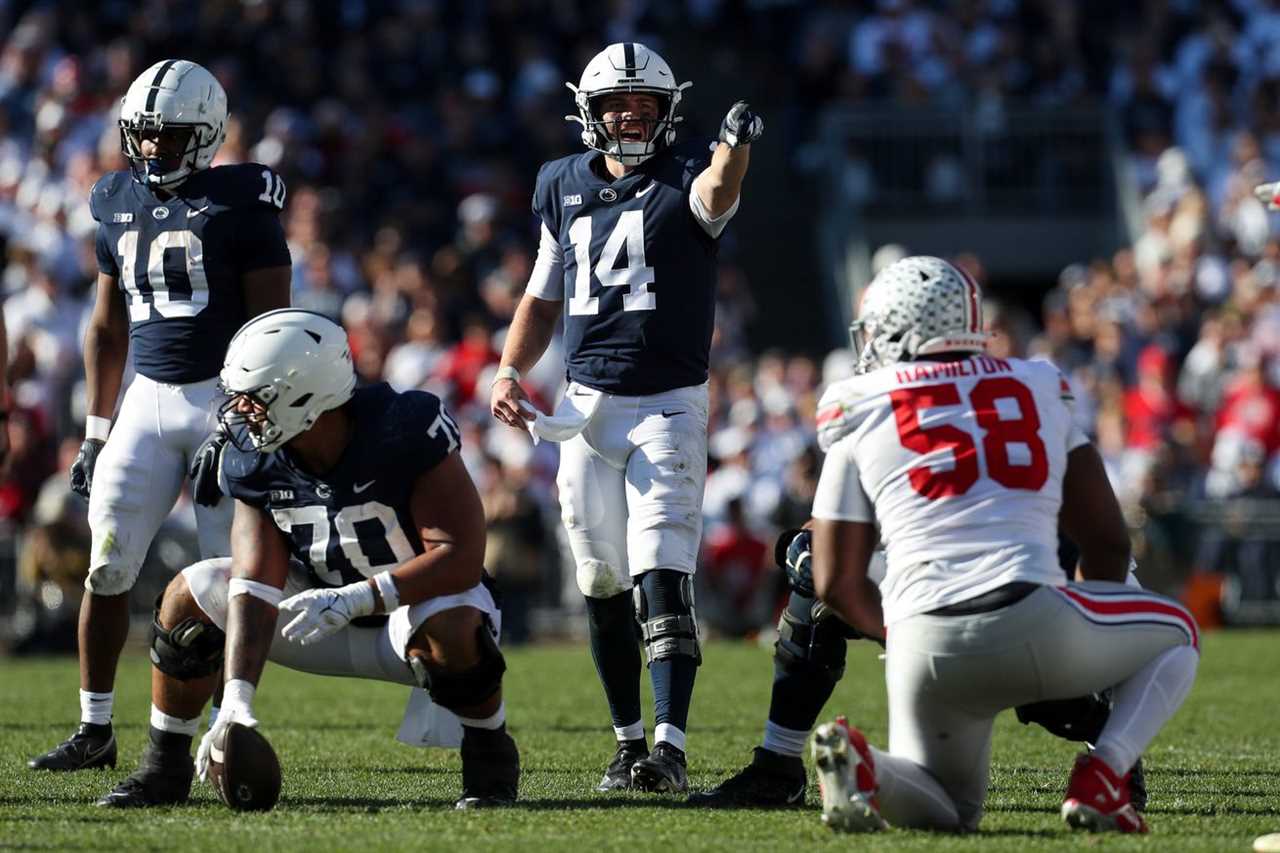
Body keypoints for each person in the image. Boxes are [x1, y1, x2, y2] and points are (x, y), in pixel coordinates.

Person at [805, 256, 1199, 834]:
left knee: (950, 810)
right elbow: (1107, 539)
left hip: (923, 641)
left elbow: (833, 582)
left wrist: (904, 633)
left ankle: (868, 771)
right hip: (1035, 619)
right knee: (1179, 631)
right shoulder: (1039, 384)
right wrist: (1084, 646)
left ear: (899, 331)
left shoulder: (855, 404)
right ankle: (1105, 772)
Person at [98, 309, 519, 809]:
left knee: (453, 624)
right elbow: (253, 583)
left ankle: (490, 759)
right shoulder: (254, 455)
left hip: (410, 615)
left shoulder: (403, 426)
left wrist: (358, 598)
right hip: (314, 617)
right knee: (191, 598)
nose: (239, 412)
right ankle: (164, 768)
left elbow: (460, 558)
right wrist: (236, 700)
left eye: (254, 400)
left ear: (304, 393)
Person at [489, 41, 762, 793]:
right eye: (618, 103)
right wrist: (510, 368)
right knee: (600, 580)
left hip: (666, 406)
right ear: (591, 112)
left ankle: (669, 748)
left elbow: (717, 188)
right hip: (584, 410)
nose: (632, 114)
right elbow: (541, 298)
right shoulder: (559, 184)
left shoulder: (685, 177)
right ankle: (626, 741)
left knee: (662, 573)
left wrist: (735, 145)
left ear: (670, 111)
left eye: (646, 103)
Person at [28, 59, 292, 772]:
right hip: (146, 396)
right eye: (144, 135)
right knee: (106, 565)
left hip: (220, 397)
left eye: (170, 137)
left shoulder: (244, 201)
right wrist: (94, 430)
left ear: (206, 137)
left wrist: (244, 417)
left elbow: (274, 323)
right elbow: (106, 328)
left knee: (220, 580)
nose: (153, 150)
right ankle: (94, 728)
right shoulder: (114, 199)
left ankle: (218, 731)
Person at [690, 530, 1149, 811]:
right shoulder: (894, 416)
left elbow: (1108, 561)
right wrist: (810, 553)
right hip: (931, 598)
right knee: (817, 582)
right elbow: (825, 527)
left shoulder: (1028, 433)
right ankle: (780, 764)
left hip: (1017, 602)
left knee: (956, 804)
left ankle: (1110, 749)